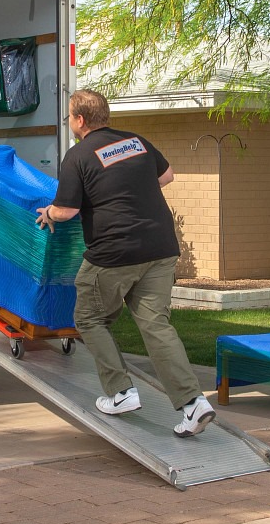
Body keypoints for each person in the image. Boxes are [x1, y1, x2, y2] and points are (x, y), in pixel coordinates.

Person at [37, 89, 215, 437]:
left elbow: (67, 210)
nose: (69, 122)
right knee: (156, 326)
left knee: (89, 317)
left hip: (114, 253)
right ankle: (194, 403)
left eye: (69, 117)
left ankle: (121, 392)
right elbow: (167, 176)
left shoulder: (79, 154)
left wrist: (48, 212)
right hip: (161, 247)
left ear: (80, 120)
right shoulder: (137, 141)